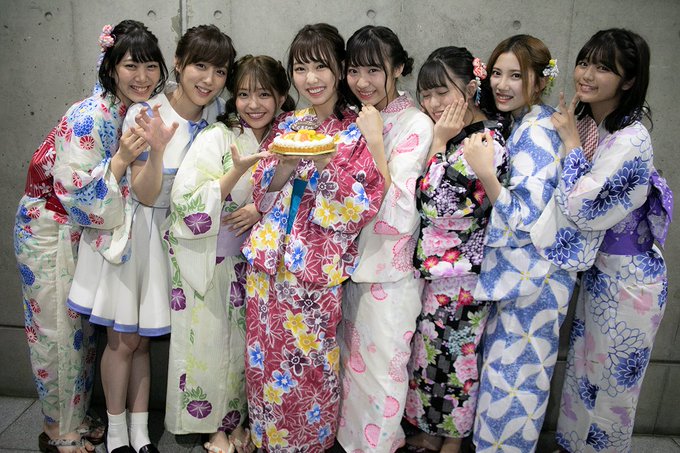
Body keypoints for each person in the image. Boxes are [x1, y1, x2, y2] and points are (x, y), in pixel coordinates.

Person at [68, 25, 234, 453]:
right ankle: (116, 434)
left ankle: (140, 432)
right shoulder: (147, 113)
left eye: (219, 71)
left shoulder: (216, 115)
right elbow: (143, 193)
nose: (208, 79)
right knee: (122, 340)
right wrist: (158, 149)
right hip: (137, 234)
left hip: (173, 240)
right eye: (200, 66)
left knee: (142, 341)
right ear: (178, 63)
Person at [14, 20, 166, 453]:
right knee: (58, 334)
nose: (142, 76)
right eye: (131, 65)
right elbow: (77, 192)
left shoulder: (127, 109)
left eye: (151, 66)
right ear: (111, 67)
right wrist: (120, 160)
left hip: (78, 230)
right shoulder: (90, 115)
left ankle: (76, 419)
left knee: (79, 335)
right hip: (51, 227)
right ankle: (59, 432)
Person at [241, 23, 385, 451]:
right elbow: (261, 193)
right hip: (268, 262)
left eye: (321, 66)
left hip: (314, 268)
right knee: (263, 359)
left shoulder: (356, 129)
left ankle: (308, 445)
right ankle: (267, 442)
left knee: (310, 362)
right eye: (301, 68)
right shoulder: (289, 122)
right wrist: (283, 167)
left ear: (340, 67)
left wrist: (324, 162)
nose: (311, 78)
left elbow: (361, 206)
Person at [537, 29, 672, 453]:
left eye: (602, 68)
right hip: (602, 274)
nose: (587, 75)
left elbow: (584, 206)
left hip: (630, 280)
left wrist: (571, 144)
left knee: (612, 388)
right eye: (584, 62)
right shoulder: (595, 123)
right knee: (584, 376)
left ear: (628, 81)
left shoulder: (632, 139)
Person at [163, 54, 294, 453]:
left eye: (264, 95)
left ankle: (235, 421)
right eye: (243, 94)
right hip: (211, 255)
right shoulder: (216, 137)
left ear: (281, 97)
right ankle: (211, 428)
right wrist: (235, 175)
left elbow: (299, 193)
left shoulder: (286, 139)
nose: (253, 104)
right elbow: (185, 200)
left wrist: (259, 208)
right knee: (208, 343)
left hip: (257, 263)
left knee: (242, 349)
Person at [461, 35, 577, 453]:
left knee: (512, 386)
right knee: (511, 381)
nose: (502, 84)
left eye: (516, 75)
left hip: (533, 280)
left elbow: (526, 217)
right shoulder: (532, 122)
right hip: (530, 278)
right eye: (497, 73)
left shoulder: (537, 134)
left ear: (541, 81)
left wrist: (487, 175)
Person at [404, 46, 507, 453]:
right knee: (434, 358)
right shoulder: (463, 135)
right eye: (426, 94)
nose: (432, 103)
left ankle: (453, 441)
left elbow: (434, 203)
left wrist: (439, 143)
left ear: (470, 88)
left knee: (457, 362)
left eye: (441, 92)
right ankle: (434, 432)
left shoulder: (484, 140)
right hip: (444, 273)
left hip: (463, 277)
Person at [337, 25, 433, 452]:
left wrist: (376, 141)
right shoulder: (356, 115)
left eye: (374, 70)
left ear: (398, 69)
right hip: (352, 266)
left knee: (382, 380)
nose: (362, 81)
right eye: (354, 70)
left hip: (390, 274)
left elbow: (401, 212)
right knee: (352, 376)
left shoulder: (416, 123)